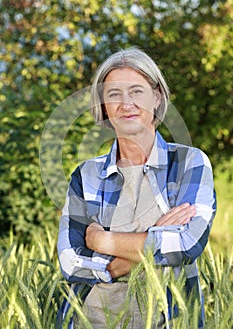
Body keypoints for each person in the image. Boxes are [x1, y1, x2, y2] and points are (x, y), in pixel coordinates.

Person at [57, 47, 216, 328]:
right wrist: (155, 237)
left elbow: (187, 244)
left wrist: (99, 241)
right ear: (103, 105)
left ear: (157, 97)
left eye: (136, 91)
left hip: (166, 321)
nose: (125, 103)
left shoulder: (190, 162)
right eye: (114, 94)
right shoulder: (86, 175)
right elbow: (70, 262)